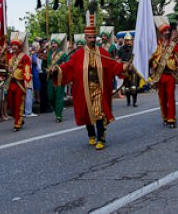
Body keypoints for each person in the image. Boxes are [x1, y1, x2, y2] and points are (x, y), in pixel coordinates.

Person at [51, 11, 128, 151]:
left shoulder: (103, 53)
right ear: (85, 38)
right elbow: (68, 66)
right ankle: (91, 134)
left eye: (94, 37)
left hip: (98, 86)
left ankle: (101, 138)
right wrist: (57, 69)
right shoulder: (78, 54)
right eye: (89, 37)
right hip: (83, 87)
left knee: (98, 111)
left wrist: (124, 66)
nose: (92, 39)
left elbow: (112, 65)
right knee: (87, 112)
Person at [149, 17, 178, 128]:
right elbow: (151, 59)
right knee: (162, 97)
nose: (167, 33)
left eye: (168, 31)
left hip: (170, 75)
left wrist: (174, 60)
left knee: (170, 96)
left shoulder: (173, 45)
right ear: (161, 33)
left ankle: (172, 118)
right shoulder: (155, 45)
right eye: (164, 31)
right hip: (159, 76)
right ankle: (165, 117)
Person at [3, 32, 32, 131]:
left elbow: (27, 69)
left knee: (19, 103)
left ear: (19, 46)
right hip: (11, 83)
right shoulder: (9, 56)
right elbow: (5, 67)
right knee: (11, 104)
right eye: (13, 45)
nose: (14, 46)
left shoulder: (24, 57)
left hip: (19, 83)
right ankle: (19, 119)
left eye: (16, 45)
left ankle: (17, 124)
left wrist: (27, 81)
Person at [46, 34, 69, 123]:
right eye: (52, 43)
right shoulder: (49, 54)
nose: (53, 45)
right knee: (50, 97)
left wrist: (57, 67)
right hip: (50, 78)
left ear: (58, 45)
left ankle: (59, 115)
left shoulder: (63, 54)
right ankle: (57, 110)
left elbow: (66, 65)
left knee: (59, 96)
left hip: (59, 78)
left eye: (55, 43)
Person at [117, 33, 139, 107]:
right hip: (124, 69)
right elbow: (117, 58)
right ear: (124, 41)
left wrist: (132, 65)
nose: (128, 42)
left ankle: (134, 102)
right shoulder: (121, 49)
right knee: (126, 88)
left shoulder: (134, 49)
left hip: (133, 69)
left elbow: (138, 59)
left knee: (133, 87)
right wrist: (119, 61)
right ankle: (128, 101)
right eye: (126, 40)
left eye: (129, 40)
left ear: (131, 41)